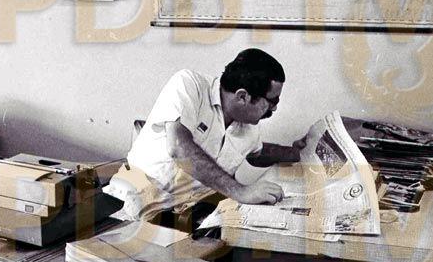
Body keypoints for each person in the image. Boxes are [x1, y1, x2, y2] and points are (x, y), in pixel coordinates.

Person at [105, 48, 306, 221]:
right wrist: (241, 191)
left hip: (189, 214)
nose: (274, 108)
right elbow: (178, 147)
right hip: (136, 206)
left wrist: (296, 152)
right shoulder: (189, 84)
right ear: (242, 96)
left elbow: (258, 153)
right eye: (272, 101)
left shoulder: (249, 126)